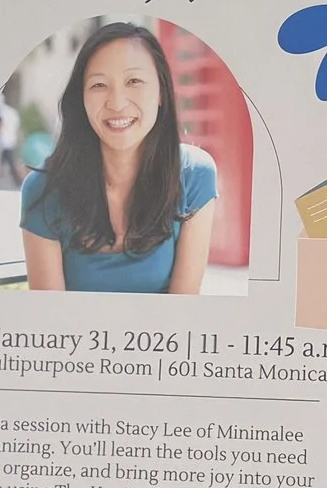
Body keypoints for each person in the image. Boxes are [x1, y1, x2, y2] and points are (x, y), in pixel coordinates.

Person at [20, 22, 217, 294]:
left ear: (161, 92)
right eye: (99, 85)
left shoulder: (194, 175)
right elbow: (51, 321)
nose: (117, 103)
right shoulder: (43, 190)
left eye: (133, 81)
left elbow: (183, 310)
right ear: (82, 99)